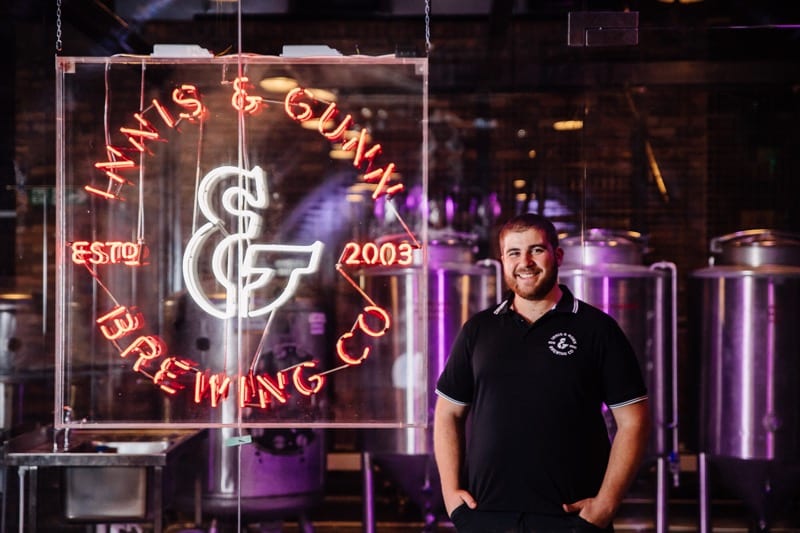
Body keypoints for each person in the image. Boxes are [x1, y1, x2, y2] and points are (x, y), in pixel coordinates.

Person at [433, 212, 650, 533]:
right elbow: (448, 414)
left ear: (557, 255)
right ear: (502, 261)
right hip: (487, 516)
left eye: (536, 250)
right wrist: (451, 495)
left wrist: (605, 505)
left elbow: (634, 421)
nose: (525, 262)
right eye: (513, 253)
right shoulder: (478, 330)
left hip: (570, 520)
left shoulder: (597, 329)